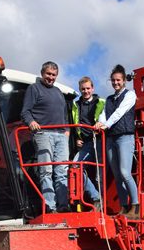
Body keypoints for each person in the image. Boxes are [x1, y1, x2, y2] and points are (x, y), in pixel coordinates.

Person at [20, 61, 70, 213]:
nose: (51, 77)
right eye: (48, 74)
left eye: (54, 75)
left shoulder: (59, 92)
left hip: (61, 135)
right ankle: (50, 206)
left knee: (62, 171)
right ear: (42, 73)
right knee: (46, 170)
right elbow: (25, 112)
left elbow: (64, 114)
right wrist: (31, 122)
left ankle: (63, 206)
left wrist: (67, 129)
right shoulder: (34, 89)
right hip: (43, 134)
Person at [95, 64, 139, 218]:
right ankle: (123, 206)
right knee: (117, 174)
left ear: (124, 81)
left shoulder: (130, 95)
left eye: (118, 80)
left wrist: (106, 124)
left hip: (125, 137)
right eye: (113, 80)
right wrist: (100, 123)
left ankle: (135, 206)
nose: (116, 83)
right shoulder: (108, 99)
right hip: (111, 138)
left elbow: (119, 112)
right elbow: (104, 114)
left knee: (125, 172)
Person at [71, 76, 105, 208]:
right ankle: (96, 198)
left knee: (100, 175)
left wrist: (101, 123)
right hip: (86, 143)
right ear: (80, 90)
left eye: (88, 88)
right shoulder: (75, 105)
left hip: (101, 141)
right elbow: (73, 122)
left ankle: (103, 205)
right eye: (83, 89)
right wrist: (77, 138)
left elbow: (107, 118)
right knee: (75, 167)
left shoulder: (101, 102)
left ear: (93, 88)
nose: (85, 91)